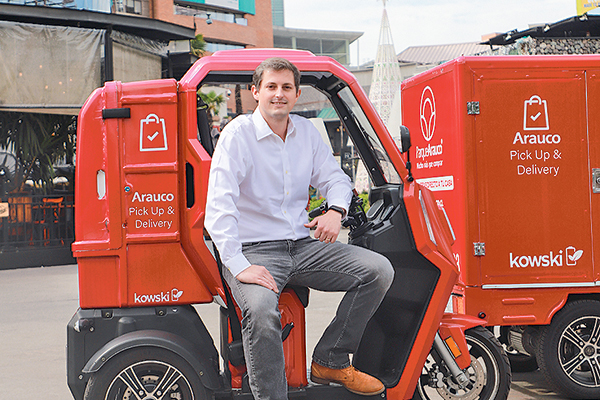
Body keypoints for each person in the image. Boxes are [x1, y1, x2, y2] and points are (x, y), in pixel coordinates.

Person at [205, 57, 394, 400]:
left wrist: (336, 210)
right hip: (253, 250)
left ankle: (331, 359)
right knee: (261, 312)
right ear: (255, 92)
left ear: (295, 94)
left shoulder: (306, 132)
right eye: (271, 87)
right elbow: (219, 208)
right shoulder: (237, 135)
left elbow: (335, 178)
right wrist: (239, 265)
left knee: (378, 270)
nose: (279, 94)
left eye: (286, 88)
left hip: (301, 246)